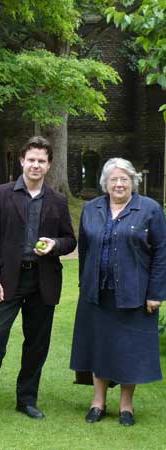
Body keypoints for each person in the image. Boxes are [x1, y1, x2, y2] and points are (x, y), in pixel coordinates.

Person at [0, 136, 76, 420]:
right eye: (31, 160)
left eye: (41, 161)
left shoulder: (58, 200)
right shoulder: (0, 195)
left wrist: (55, 245)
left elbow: (70, 240)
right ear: (22, 161)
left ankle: (26, 399)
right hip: (7, 280)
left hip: (43, 280)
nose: (36, 165)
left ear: (49, 165)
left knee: (37, 343)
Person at [70, 157, 166, 427]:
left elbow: (161, 252)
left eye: (124, 178)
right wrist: (84, 284)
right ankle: (97, 402)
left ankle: (126, 406)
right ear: (105, 183)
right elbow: (85, 251)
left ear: (133, 181)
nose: (119, 183)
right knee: (99, 347)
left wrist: (156, 293)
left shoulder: (149, 209)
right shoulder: (91, 209)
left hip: (135, 294)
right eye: (114, 179)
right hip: (97, 293)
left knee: (129, 350)